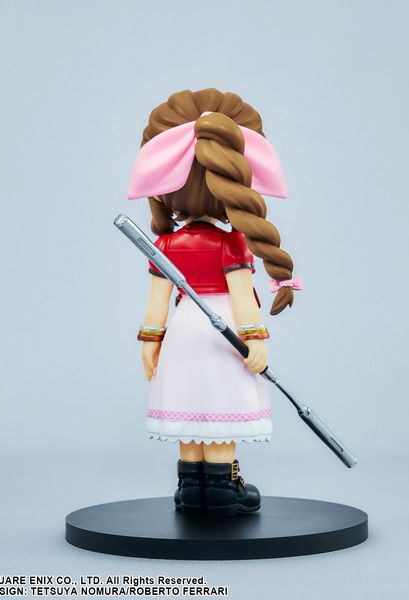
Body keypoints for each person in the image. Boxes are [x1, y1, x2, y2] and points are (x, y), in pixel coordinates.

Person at [127, 88, 302, 517]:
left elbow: (157, 303)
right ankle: (222, 489)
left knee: (189, 403)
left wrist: (151, 342)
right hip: (224, 331)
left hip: (183, 331)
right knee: (220, 406)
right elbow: (242, 299)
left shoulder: (166, 244)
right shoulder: (231, 243)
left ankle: (191, 488)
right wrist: (255, 338)